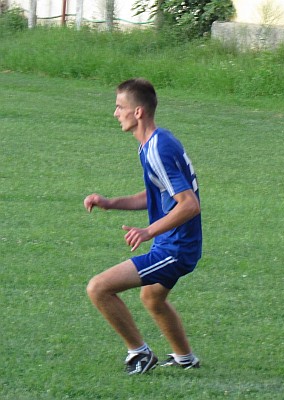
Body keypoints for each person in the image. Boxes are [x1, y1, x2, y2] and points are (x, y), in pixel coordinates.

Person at [84, 78, 203, 375]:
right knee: (152, 297)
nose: (115, 113)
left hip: (176, 248)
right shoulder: (154, 143)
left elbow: (188, 204)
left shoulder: (157, 150)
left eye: (119, 107)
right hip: (172, 243)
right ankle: (185, 358)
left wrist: (148, 231)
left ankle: (139, 354)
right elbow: (157, 195)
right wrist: (111, 203)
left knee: (99, 288)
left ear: (138, 112)